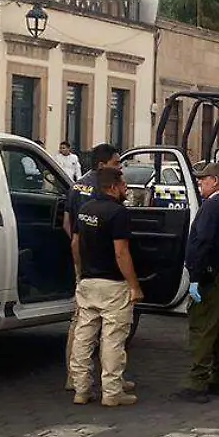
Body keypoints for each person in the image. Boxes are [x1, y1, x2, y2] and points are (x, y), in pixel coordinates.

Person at [69, 167, 142, 407]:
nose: (126, 188)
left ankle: (81, 389)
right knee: (112, 339)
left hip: (88, 281)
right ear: (112, 187)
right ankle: (112, 392)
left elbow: (75, 243)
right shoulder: (118, 213)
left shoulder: (85, 209)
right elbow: (121, 253)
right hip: (113, 284)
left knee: (84, 336)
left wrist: (82, 272)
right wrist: (134, 285)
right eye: (123, 185)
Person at [178, 162, 219, 402]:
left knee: (202, 327)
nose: (200, 183)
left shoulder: (212, 207)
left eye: (203, 180)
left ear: (215, 181)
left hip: (210, 275)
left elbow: (202, 241)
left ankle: (197, 383)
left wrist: (195, 276)